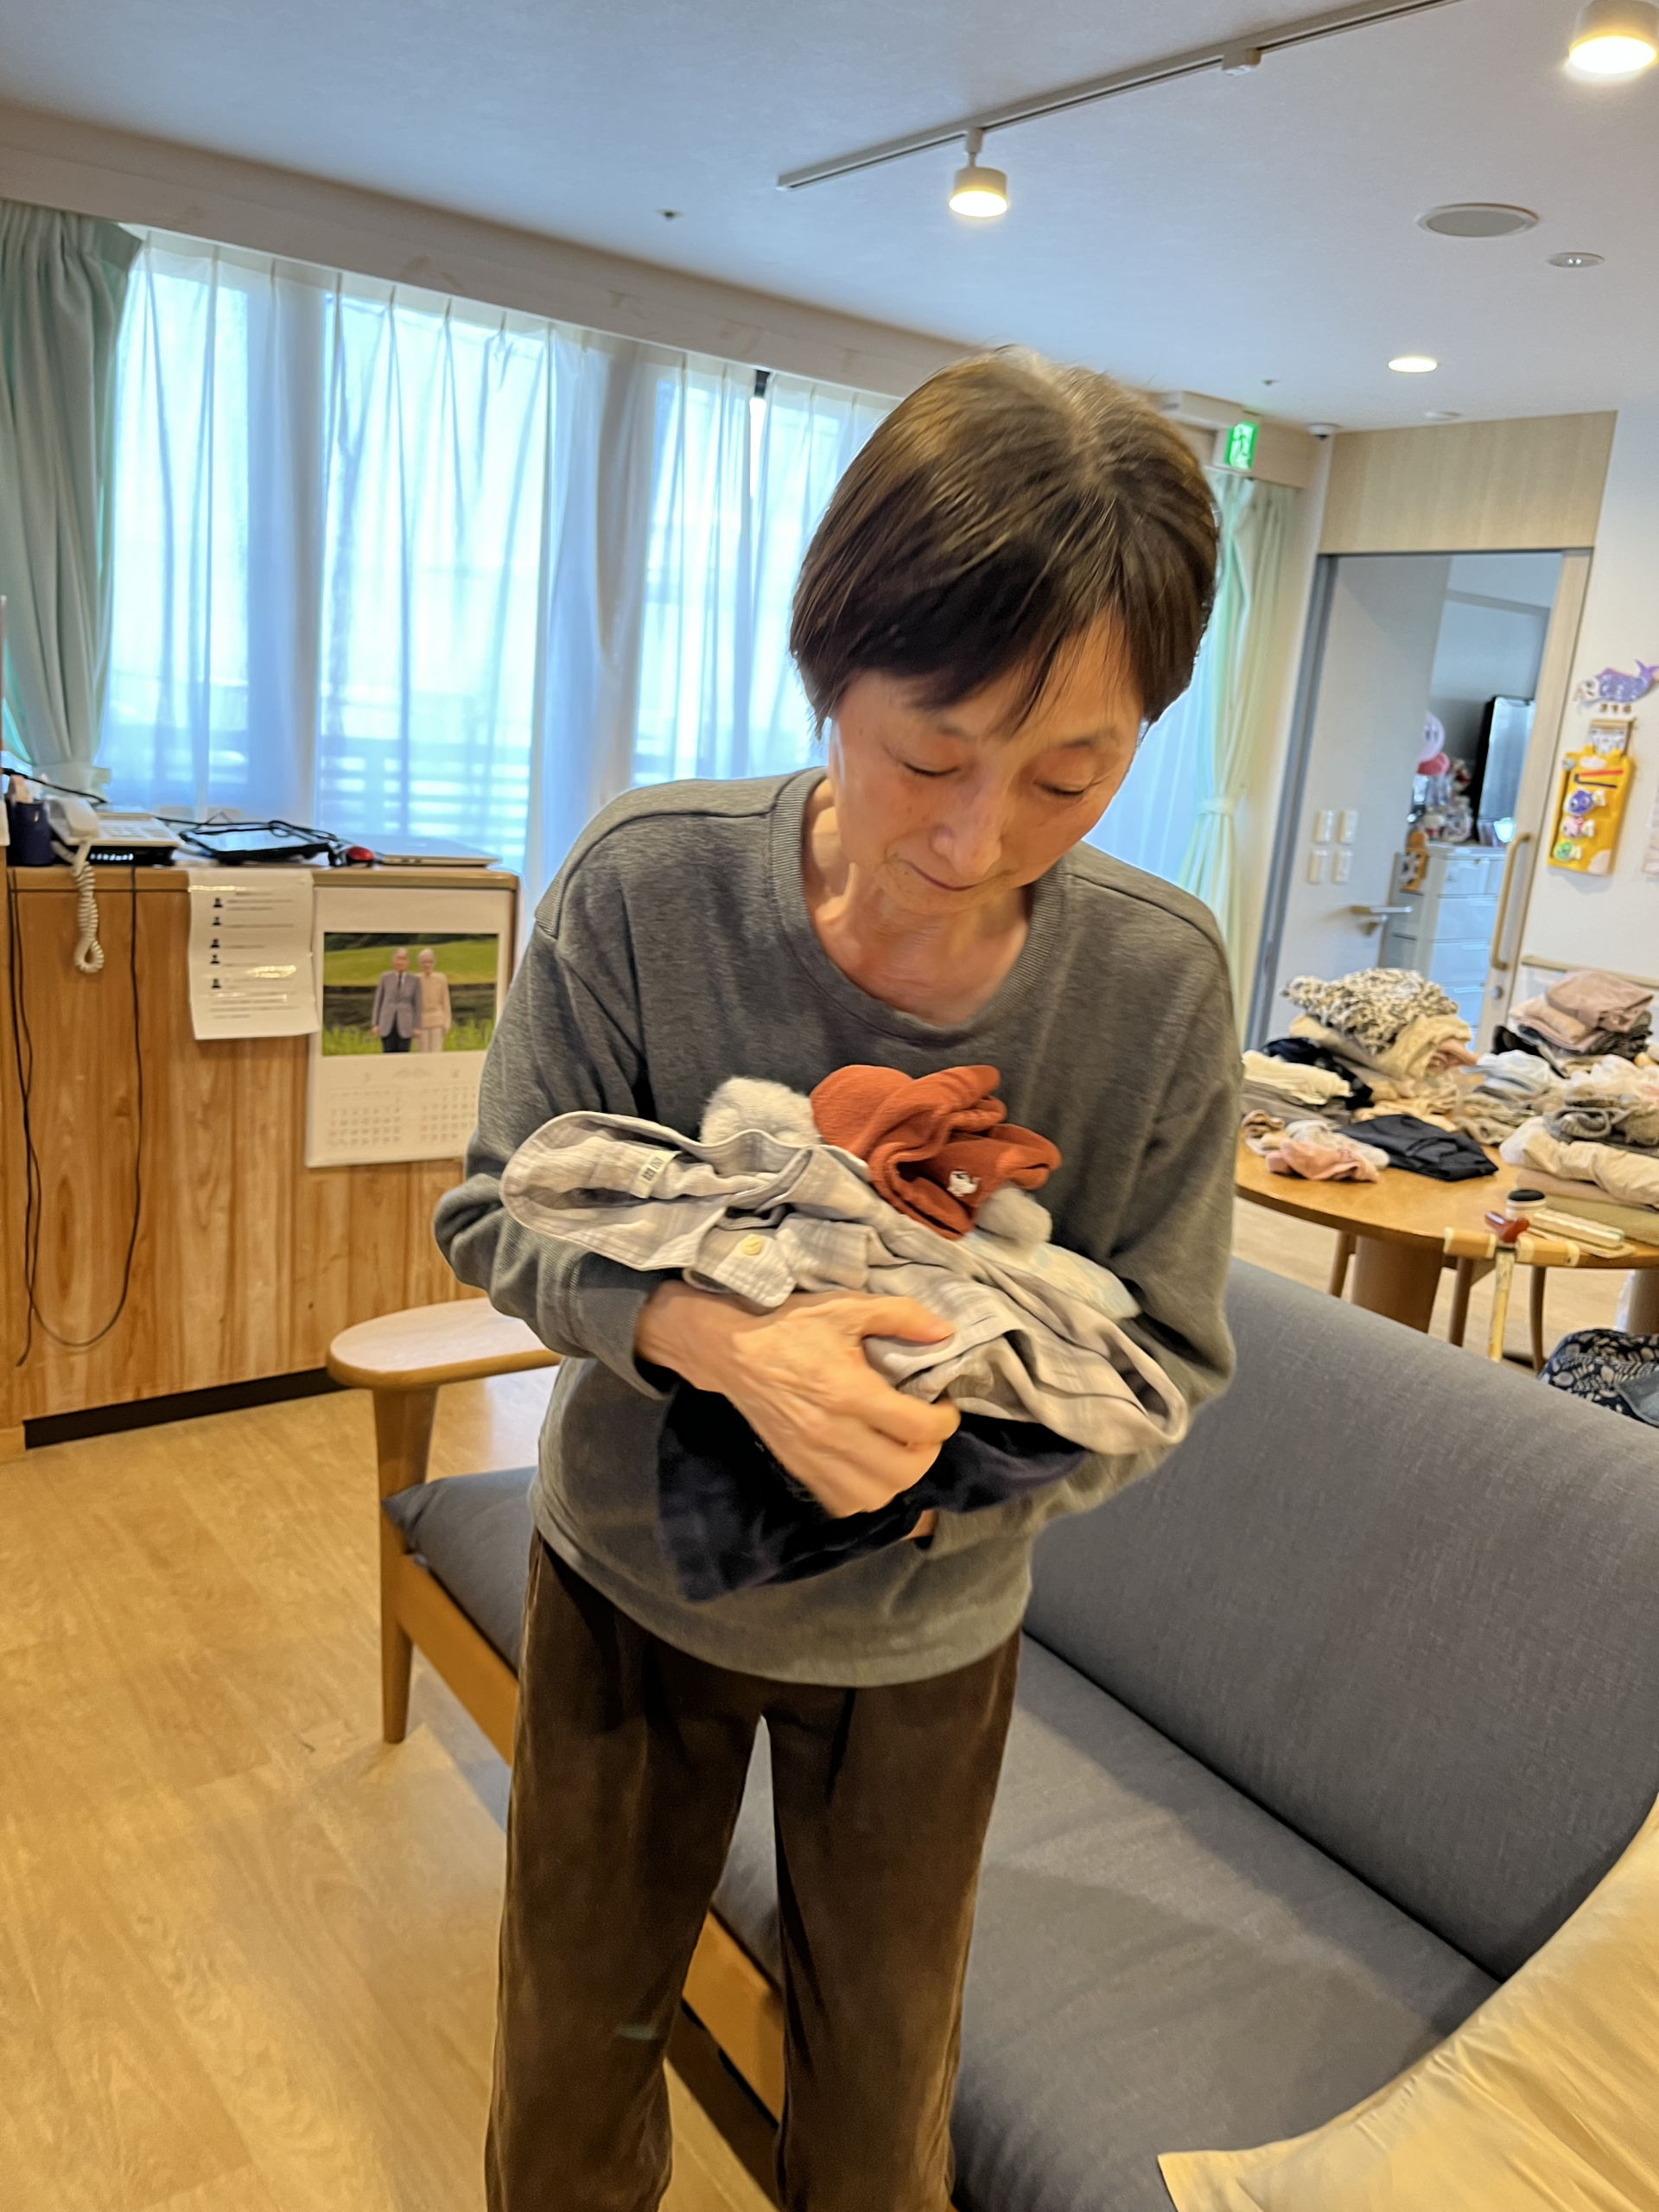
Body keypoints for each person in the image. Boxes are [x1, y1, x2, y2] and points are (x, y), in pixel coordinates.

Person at [435, 348, 1239, 2212]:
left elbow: (1173, 1354)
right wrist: (725, 1341)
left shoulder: (1158, 982)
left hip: (924, 1646)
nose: (978, 838)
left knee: (882, 2103)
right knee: (569, 2069)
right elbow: (495, 1211)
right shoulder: (651, 885)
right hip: (623, 1589)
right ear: (831, 670)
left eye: (1073, 773)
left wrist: (941, 1459)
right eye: (930, 755)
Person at [369, 945, 422, 1053]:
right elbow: (378, 1002)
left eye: (404, 959)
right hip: (386, 1024)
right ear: (393, 961)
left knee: (403, 1055)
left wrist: (417, 1026)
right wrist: (375, 1024)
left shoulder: (414, 980)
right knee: (387, 1054)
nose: (401, 962)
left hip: (406, 1025)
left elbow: (417, 1005)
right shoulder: (385, 978)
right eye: (398, 959)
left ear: (408, 962)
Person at [415, 946, 453, 1052]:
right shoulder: (415, 979)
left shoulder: (441, 978)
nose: (427, 965)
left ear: (434, 963)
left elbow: (445, 1001)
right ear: (420, 963)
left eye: (430, 962)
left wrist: (447, 1022)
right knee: (422, 1054)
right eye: (424, 962)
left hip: (437, 1021)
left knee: (436, 1052)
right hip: (421, 1022)